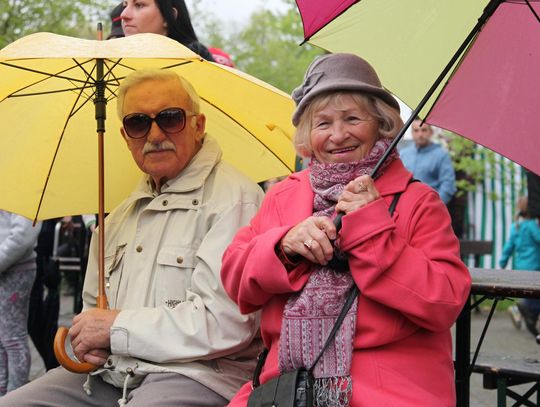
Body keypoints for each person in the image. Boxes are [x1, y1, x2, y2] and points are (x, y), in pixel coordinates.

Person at [1, 69, 263, 406]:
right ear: (126, 137)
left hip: (200, 375)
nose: (155, 134)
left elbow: (225, 323)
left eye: (170, 118)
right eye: (139, 123)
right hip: (112, 373)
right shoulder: (119, 216)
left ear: (198, 125)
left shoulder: (235, 201)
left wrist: (116, 328)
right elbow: (94, 312)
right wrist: (88, 338)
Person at [221, 53, 471, 406]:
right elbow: (234, 276)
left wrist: (372, 227)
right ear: (308, 135)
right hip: (288, 386)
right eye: (322, 124)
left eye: (352, 118)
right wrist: (282, 246)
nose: (338, 135)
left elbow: (444, 302)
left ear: (382, 124)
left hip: (394, 387)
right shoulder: (283, 195)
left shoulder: (419, 201)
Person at [0, 211, 41, 395]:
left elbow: (23, 235)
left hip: (16, 269)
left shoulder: (23, 191)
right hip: (7, 267)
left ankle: (15, 395)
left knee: (13, 338)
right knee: (3, 339)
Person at [120, 0, 215, 61]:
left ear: (169, 16)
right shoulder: (114, 63)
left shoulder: (196, 61)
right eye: (125, 5)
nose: (123, 15)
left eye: (139, 5)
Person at [499, 196, 540, 337]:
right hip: (534, 267)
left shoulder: (515, 226)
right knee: (534, 295)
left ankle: (520, 311)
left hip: (520, 267)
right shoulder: (532, 226)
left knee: (528, 295)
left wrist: (502, 262)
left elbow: (508, 246)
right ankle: (525, 309)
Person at [400, 118, 456, 204]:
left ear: (431, 132)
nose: (420, 134)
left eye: (424, 130)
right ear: (411, 133)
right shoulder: (403, 155)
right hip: (405, 207)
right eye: (416, 130)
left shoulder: (441, 155)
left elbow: (448, 186)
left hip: (429, 208)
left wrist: (434, 205)